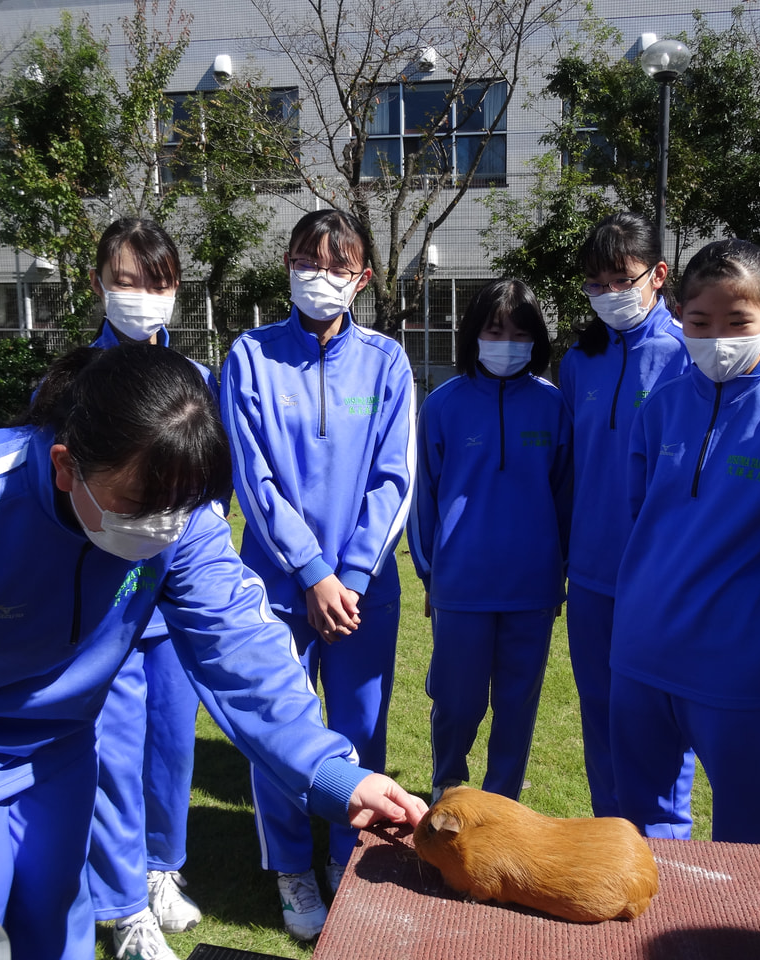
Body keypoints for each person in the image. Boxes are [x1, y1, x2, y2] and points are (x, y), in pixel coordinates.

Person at [0, 344, 427, 960]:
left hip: (59, 751)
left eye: (179, 509)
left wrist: (332, 774)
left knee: (54, 926)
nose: (160, 527)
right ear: (64, 466)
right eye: (140, 507)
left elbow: (244, 651)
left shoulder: (179, 517)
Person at [608, 238, 760, 845]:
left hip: (742, 673)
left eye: (737, 320)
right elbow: (641, 518)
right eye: (700, 321)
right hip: (642, 657)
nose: (717, 335)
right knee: (644, 832)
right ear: (680, 316)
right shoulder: (661, 405)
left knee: (754, 846)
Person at [220, 208, 414, 941]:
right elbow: (254, 477)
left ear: (362, 277)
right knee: (280, 730)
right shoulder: (250, 356)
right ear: (286, 265)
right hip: (276, 583)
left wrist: (351, 577)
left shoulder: (387, 361)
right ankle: (294, 868)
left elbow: (395, 478)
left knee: (360, 729)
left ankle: (348, 855)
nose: (321, 276)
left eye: (338, 265)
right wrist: (311, 572)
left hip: (363, 591)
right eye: (308, 260)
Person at [83, 218, 214, 960]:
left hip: (175, 605)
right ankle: (125, 905)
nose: (142, 297)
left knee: (171, 747)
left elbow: (207, 493)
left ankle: (164, 869)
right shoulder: (75, 381)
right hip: (106, 603)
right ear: (97, 282)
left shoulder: (196, 379)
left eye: (157, 283)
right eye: (127, 281)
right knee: (114, 750)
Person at [407, 279, 572, 803]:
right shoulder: (442, 404)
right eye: (495, 329)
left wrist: (559, 574)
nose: (507, 342)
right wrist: (431, 575)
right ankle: (446, 784)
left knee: (518, 703)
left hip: (532, 587)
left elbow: (567, 496)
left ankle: (502, 800)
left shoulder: (554, 406)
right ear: (473, 333)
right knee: (458, 700)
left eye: (520, 332)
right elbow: (423, 496)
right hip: (461, 585)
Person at [559, 211, 693, 821]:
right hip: (588, 574)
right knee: (599, 713)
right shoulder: (578, 361)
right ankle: (609, 836)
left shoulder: (688, 355)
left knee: (658, 720)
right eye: (596, 282)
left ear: (658, 275)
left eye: (622, 278)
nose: (609, 294)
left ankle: (663, 845)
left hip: (658, 578)